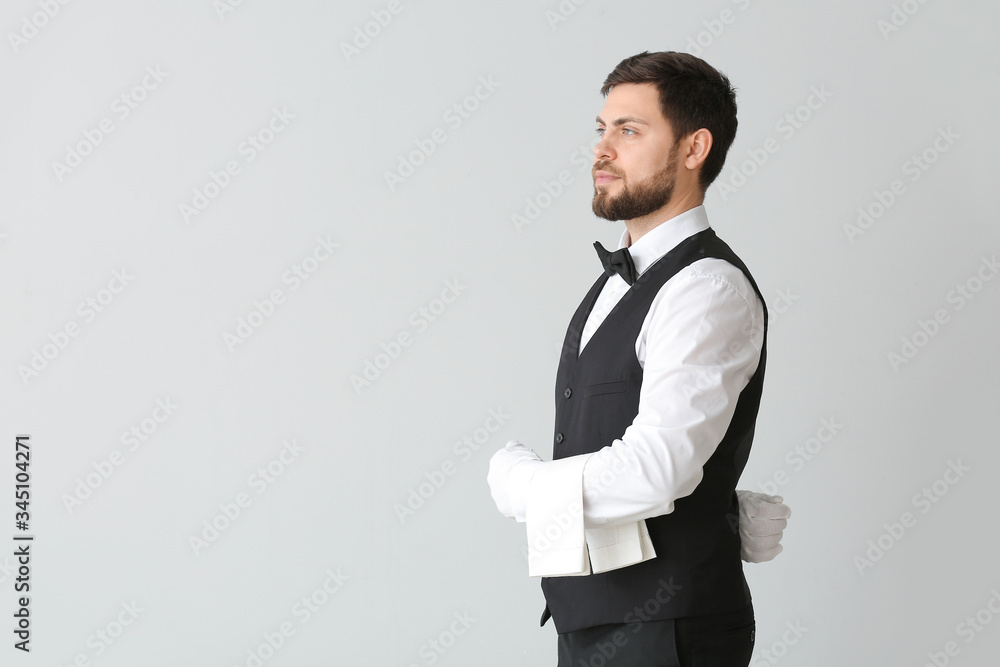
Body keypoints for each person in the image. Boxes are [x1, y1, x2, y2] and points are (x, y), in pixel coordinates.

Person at [488, 51, 790, 666]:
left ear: (693, 147)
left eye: (629, 130)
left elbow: (659, 469)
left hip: (665, 629)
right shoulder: (618, 283)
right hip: (599, 621)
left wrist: (524, 485)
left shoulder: (705, 287)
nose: (603, 150)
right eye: (601, 130)